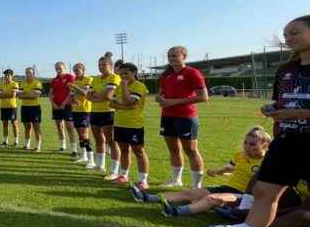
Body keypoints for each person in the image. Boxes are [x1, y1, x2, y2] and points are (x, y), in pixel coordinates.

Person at [204, 16, 310, 227]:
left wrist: (298, 114)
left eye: (295, 32)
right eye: (286, 34)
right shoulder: (286, 69)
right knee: (263, 193)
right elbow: (283, 103)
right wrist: (272, 108)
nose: (289, 38)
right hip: (286, 141)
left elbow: (295, 109)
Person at [131, 126, 270, 217]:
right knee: (189, 192)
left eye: (252, 144)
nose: (247, 146)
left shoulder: (268, 161)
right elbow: (230, 167)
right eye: (246, 142)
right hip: (226, 188)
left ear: (264, 146)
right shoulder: (239, 155)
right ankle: (146, 197)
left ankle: (175, 211)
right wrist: (216, 171)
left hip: (243, 195)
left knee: (211, 199)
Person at [157, 45, 208, 189]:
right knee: (173, 149)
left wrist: (174, 102)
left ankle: (197, 186)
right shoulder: (166, 75)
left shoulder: (193, 73)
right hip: (167, 116)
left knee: (191, 150)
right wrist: (160, 98)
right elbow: (162, 94)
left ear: (184, 57)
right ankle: (176, 180)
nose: (171, 59)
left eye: (174, 55)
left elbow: (204, 97)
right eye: (169, 56)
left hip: (186, 117)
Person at [108, 62, 150, 186]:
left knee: (139, 151)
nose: (123, 76)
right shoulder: (120, 86)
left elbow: (130, 102)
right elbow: (111, 104)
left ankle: (143, 180)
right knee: (124, 150)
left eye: (126, 73)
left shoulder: (139, 86)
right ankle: (123, 176)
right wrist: (124, 106)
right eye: (121, 74)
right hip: (119, 123)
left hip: (134, 125)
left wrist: (125, 88)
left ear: (134, 73)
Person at [87, 53, 121, 175]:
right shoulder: (95, 79)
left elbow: (108, 95)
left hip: (108, 112)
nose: (101, 67)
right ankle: (100, 165)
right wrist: (99, 96)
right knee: (98, 140)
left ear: (110, 65)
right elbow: (88, 96)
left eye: (104, 65)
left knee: (111, 142)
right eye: (99, 65)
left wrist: (96, 96)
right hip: (95, 112)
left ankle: (114, 170)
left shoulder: (114, 77)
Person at [70, 63, 96, 167]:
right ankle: (83, 155)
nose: (76, 72)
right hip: (76, 110)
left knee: (85, 135)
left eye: (77, 70)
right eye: (74, 70)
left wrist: (74, 87)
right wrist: (73, 99)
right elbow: (73, 94)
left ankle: (91, 160)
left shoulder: (89, 79)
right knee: (80, 135)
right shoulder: (75, 80)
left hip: (85, 110)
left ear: (83, 70)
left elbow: (85, 92)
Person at [50, 62, 78, 154]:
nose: (58, 70)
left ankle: (74, 149)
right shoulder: (54, 80)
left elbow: (72, 92)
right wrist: (53, 103)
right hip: (56, 106)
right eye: (56, 68)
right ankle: (62, 145)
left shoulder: (70, 77)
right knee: (59, 126)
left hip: (67, 106)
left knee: (69, 126)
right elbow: (51, 93)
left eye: (60, 68)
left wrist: (64, 103)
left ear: (64, 68)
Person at [19, 67, 44, 152]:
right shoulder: (22, 83)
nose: (28, 74)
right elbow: (19, 96)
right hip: (24, 107)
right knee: (26, 127)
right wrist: (30, 93)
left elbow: (35, 96)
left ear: (33, 74)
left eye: (30, 72)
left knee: (36, 127)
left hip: (35, 108)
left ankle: (38, 146)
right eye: (27, 73)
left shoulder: (37, 83)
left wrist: (25, 93)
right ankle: (27, 145)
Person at [0, 69, 20, 148]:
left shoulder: (15, 84)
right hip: (3, 107)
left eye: (8, 75)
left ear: (12, 76)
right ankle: (5, 141)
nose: (7, 77)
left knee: (14, 124)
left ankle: (16, 141)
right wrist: (7, 93)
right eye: (5, 75)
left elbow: (13, 95)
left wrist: (4, 94)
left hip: (12, 107)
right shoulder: (1, 84)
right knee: (5, 124)